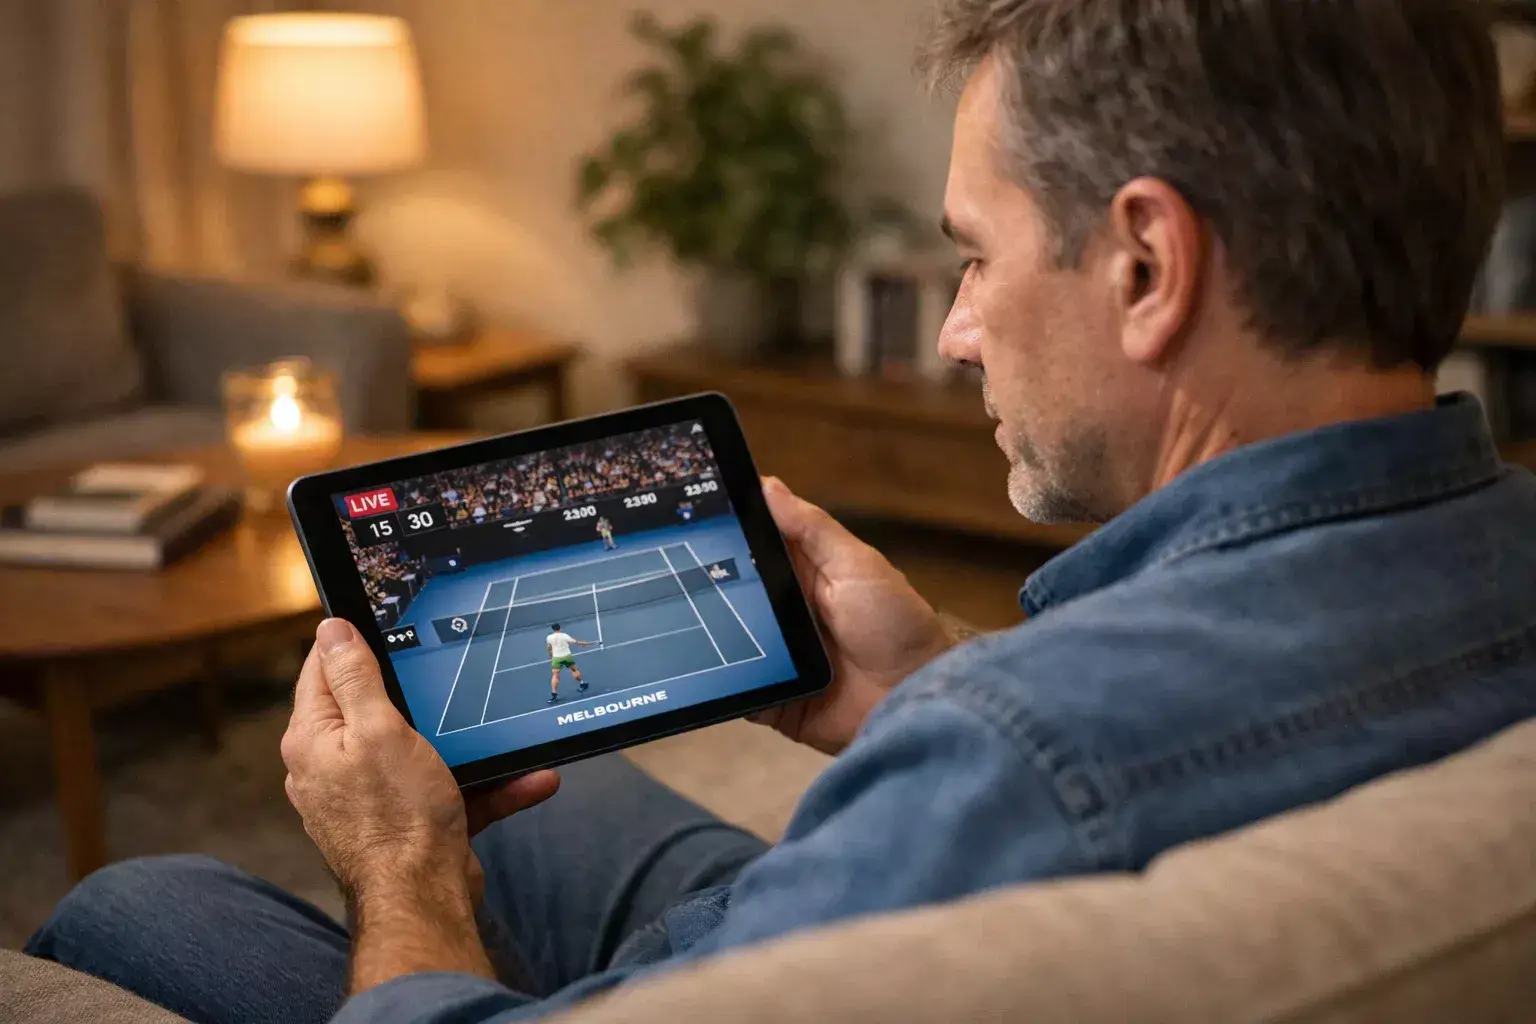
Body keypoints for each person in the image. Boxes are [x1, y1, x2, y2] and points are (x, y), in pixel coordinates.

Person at [26, 2, 1536, 1023]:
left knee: (143, 904)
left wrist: (405, 874)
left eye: (972, 256)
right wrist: (924, 686)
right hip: (922, 890)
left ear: (1145, 264)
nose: (954, 332)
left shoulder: (1009, 760)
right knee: (582, 795)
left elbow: (1049, 770)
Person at [545, 623, 595, 703]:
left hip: (556, 658)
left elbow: (549, 648)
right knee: (574, 670)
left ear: (553, 629)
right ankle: (582, 684)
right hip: (567, 657)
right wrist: (587, 643)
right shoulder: (564, 635)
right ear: (559, 628)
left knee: (555, 675)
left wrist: (551, 655)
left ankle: (554, 694)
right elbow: (577, 642)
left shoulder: (549, 637)